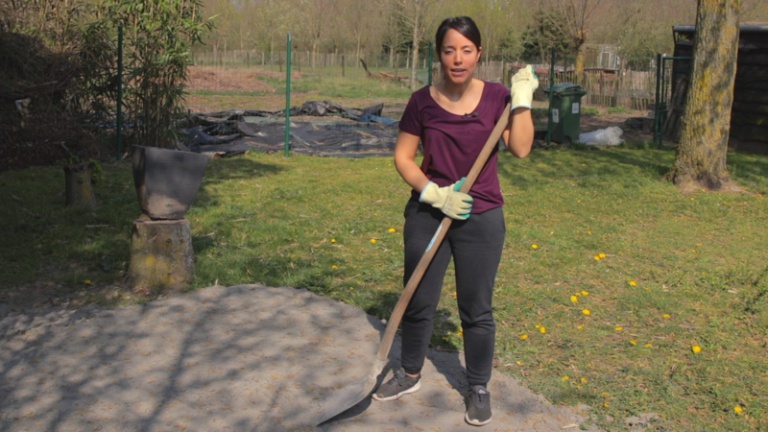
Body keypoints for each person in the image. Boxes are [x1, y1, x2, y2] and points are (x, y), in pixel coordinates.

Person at [371, 16, 538, 427]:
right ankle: (410, 373)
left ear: (478, 54)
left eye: (466, 50)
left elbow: (520, 148)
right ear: (439, 54)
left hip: (481, 215)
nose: (458, 59)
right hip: (429, 214)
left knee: (476, 308)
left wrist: (521, 101)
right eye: (449, 50)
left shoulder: (498, 98)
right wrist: (434, 194)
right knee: (418, 298)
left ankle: (478, 386)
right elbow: (403, 158)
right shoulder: (421, 102)